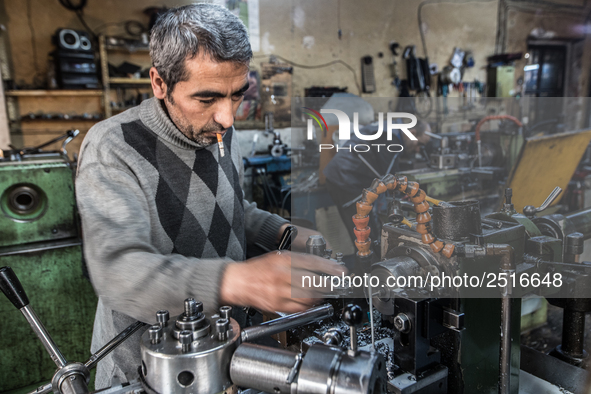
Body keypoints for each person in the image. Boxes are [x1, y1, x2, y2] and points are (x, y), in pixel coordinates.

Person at [75, 4, 344, 388]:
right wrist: (237, 281)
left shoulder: (220, 131)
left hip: (231, 346)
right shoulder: (113, 146)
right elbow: (118, 268)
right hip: (149, 369)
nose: (227, 117)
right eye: (207, 99)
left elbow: (234, 208)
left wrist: (288, 235)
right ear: (159, 83)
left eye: (237, 95)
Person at [323, 119, 431, 247]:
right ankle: (368, 265)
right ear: (412, 133)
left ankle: (369, 261)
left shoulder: (392, 129)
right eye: (419, 144)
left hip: (344, 176)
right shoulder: (390, 138)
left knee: (367, 235)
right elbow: (388, 178)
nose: (418, 150)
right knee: (365, 238)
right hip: (345, 180)